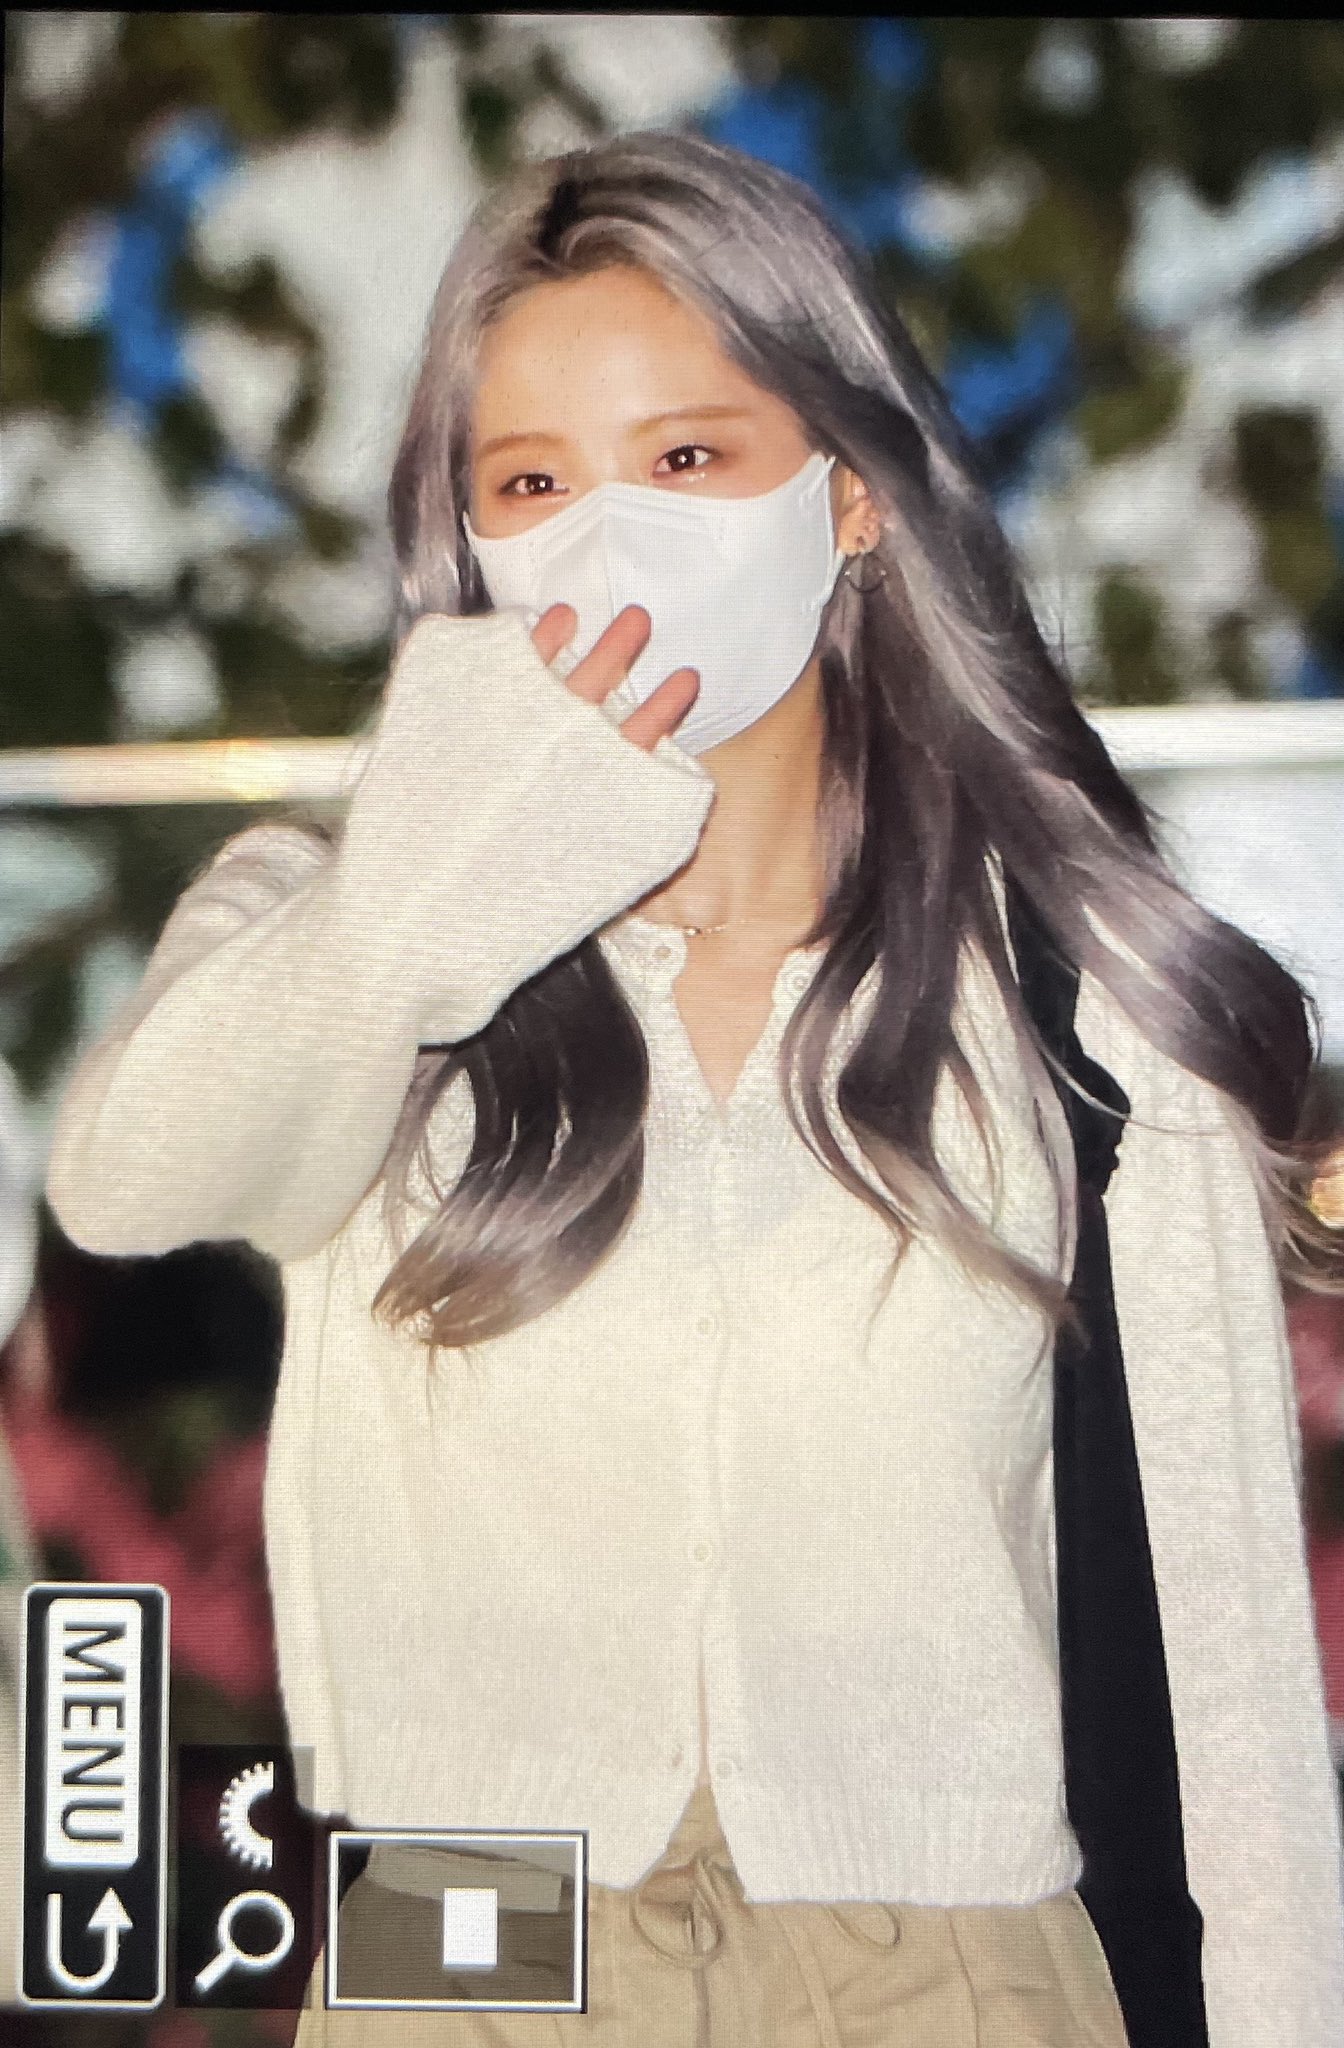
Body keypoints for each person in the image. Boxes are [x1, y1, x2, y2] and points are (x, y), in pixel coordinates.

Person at [42, 131, 1344, 2048]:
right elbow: (129, 1181)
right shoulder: (336, 939)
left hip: (944, 1955)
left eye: (685, 459)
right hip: (474, 1937)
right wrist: (421, 897)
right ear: (467, 536)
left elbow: (1232, 1685)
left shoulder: (1065, 998)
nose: (609, 540)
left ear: (853, 493)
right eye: (533, 483)